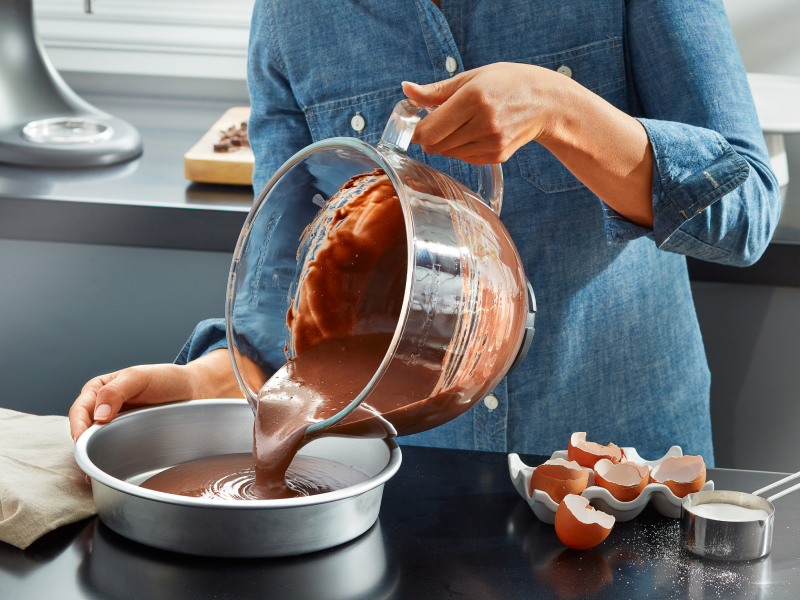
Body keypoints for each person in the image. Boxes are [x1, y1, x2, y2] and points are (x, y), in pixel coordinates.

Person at [69, 0, 780, 464]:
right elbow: (279, 291)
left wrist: (563, 112)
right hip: (414, 488)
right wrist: (205, 382)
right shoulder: (291, 16)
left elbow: (744, 212)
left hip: (625, 480)